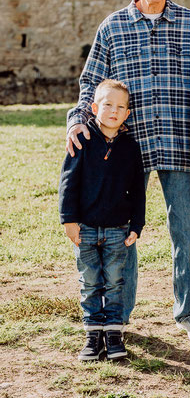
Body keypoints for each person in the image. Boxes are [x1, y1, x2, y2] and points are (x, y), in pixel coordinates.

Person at [66, 0, 190, 340]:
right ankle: (118, 315)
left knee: (187, 233)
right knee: (122, 233)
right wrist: (77, 120)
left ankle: (188, 311)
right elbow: (89, 85)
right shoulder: (112, 28)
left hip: (182, 147)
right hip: (126, 152)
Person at [59, 79, 146, 361]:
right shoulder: (82, 140)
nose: (113, 110)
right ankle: (92, 335)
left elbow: (138, 191)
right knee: (90, 282)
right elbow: (68, 182)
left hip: (117, 230)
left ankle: (114, 333)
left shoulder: (131, 147)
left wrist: (137, 224)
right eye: (107, 104)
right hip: (84, 228)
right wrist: (69, 220)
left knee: (115, 281)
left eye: (120, 107)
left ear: (127, 114)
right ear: (94, 107)